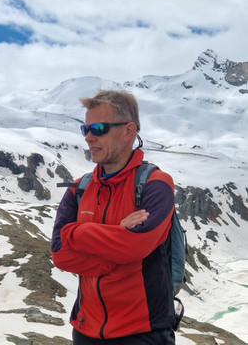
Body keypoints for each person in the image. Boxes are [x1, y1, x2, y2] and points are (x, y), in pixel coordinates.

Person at [50, 89, 177, 344]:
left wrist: (77, 233)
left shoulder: (156, 185)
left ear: (128, 131)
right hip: (85, 330)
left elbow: (133, 246)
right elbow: (60, 254)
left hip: (143, 333)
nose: (88, 138)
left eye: (98, 128)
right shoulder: (79, 189)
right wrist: (115, 242)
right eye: (84, 129)